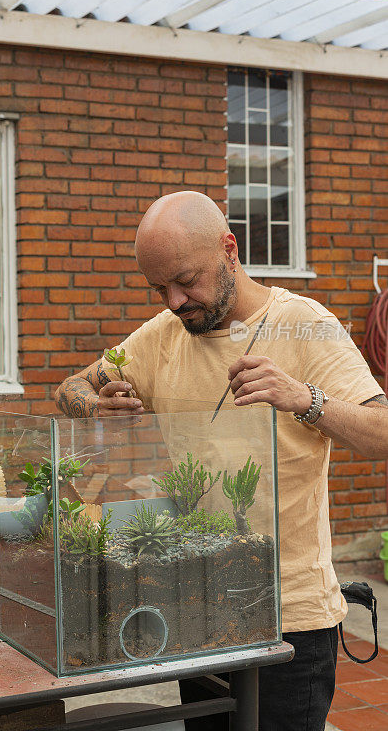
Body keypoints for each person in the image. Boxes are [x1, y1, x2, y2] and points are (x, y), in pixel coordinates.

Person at [55, 191, 388, 731]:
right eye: (159, 287)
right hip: (199, 604)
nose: (174, 300)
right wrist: (94, 404)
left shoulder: (305, 324)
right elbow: (67, 388)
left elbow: (383, 433)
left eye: (185, 280)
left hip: (291, 617)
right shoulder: (159, 338)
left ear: (229, 249)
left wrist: (306, 399)